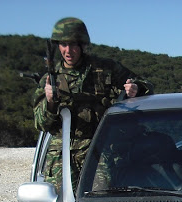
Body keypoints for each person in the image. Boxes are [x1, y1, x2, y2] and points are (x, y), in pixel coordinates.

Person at [33, 17, 154, 192]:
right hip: (62, 155)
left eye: (73, 45)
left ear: (82, 45)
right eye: (63, 45)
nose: (68, 51)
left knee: (100, 200)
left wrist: (136, 89)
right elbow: (40, 124)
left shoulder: (105, 69)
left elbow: (145, 86)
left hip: (99, 150)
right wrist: (50, 102)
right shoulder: (49, 80)